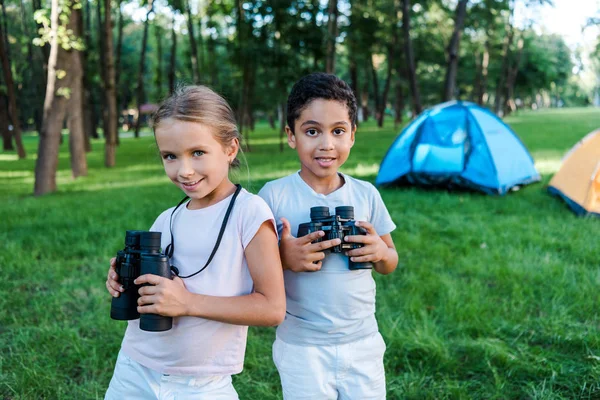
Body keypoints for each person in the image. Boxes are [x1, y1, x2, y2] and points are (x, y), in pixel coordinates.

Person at [104, 85, 286, 399]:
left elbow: (272, 308)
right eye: (170, 156)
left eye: (197, 153)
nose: (184, 170)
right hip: (134, 366)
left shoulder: (249, 213)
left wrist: (187, 303)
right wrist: (123, 280)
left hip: (200, 383)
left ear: (230, 149)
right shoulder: (167, 218)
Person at [258, 73, 398, 399]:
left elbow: (390, 262)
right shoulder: (274, 196)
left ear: (352, 136)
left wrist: (379, 251)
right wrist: (284, 257)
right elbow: (252, 270)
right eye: (311, 131)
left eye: (338, 131)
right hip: (302, 345)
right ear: (291, 135)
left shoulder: (366, 194)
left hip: (362, 339)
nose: (326, 144)